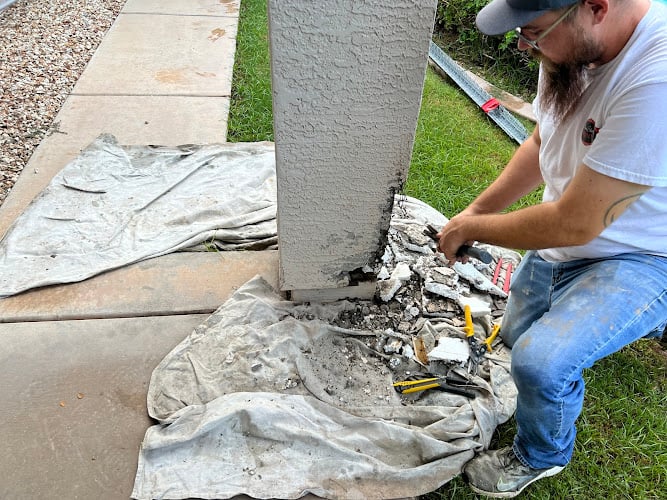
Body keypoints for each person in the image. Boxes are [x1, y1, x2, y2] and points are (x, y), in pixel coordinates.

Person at [436, 0, 667, 497]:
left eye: (533, 32)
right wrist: (473, 216)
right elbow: (544, 141)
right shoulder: (570, 52)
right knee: (516, 335)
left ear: (596, 8)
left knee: (541, 362)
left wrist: (473, 232)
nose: (523, 45)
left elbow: (575, 223)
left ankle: (542, 453)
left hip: (644, 255)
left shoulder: (656, 79)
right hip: (569, 234)